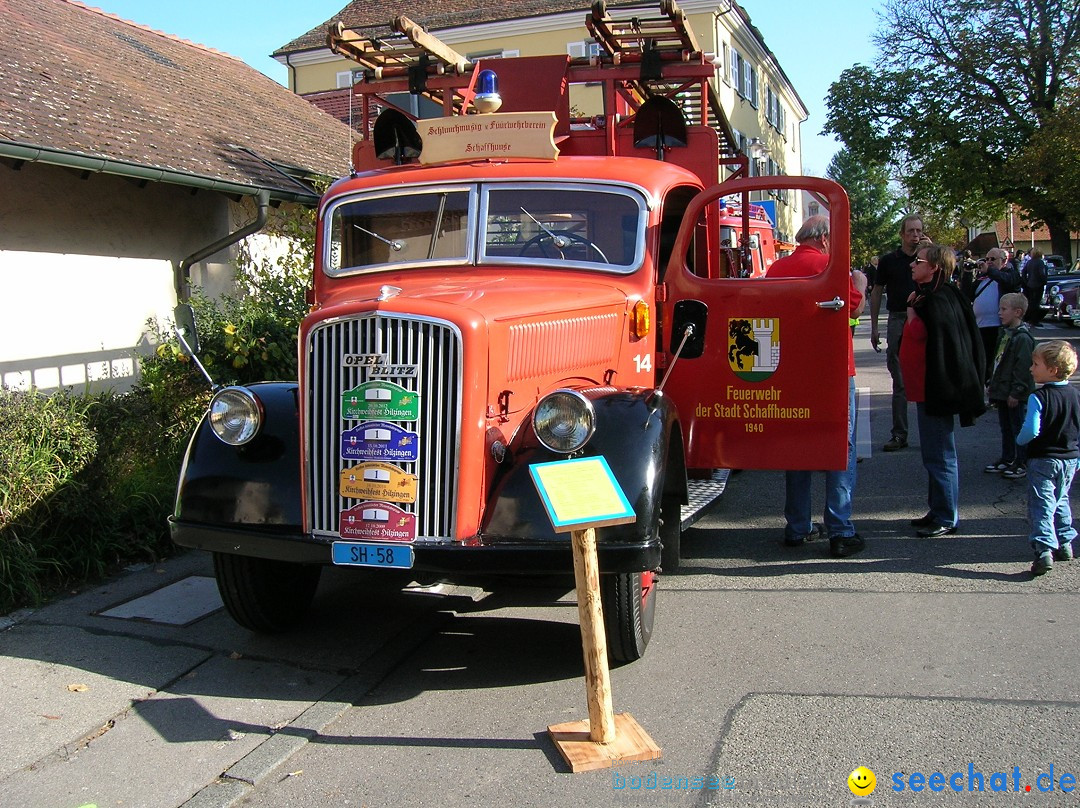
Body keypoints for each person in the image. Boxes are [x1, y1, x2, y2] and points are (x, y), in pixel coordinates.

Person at [765, 215, 866, 557]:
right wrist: (862, 286)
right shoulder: (831, 266)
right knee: (841, 448)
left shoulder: (777, 269)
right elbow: (853, 306)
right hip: (835, 369)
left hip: (790, 369)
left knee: (797, 446)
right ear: (825, 239)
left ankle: (797, 526)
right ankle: (840, 528)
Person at [900, 242, 986, 537]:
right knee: (933, 454)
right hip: (928, 388)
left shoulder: (937, 300)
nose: (913, 264)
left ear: (934, 267)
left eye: (919, 261)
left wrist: (912, 313)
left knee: (940, 454)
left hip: (936, 388)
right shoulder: (932, 297)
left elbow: (926, 335)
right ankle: (938, 509)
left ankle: (946, 515)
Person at [1016, 340, 1080, 576]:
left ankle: (1044, 548)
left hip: (1043, 458)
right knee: (1061, 499)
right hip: (1070, 458)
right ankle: (1065, 542)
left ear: (1052, 369)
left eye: (1036, 364)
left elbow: (1031, 429)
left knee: (1041, 503)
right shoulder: (1075, 395)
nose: (1032, 369)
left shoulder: (1039, 397)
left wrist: (1020, 441)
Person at [870, 215, 924, 451]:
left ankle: (931, 433)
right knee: (899, 380)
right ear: (902, 234)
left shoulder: (928, 258)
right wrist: (874, 326)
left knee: (928, 378)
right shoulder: (889, 261)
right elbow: (876, 292)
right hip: (898, 318)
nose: (915, 235)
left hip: (925, 317)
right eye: (911, 231)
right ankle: (899, 434)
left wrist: (932, 254)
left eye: (919, 231)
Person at [984, 292, 1035, 477]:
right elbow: (999, 362)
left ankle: (1022, 461)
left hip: (1014, 393)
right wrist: (992, 382)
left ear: (1018, 312)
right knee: (1006, 427)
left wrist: (1017, 391)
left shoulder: (1022, 338)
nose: (999, 313)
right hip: (1002, 390)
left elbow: (1022, 368)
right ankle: (1007, 458)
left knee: (1018, 427)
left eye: (1004, 309)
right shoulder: (1005, 334)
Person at [966, 249, 1021, 382]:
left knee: (995, 363)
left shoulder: (1009, 274)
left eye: (993, 259)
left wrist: (990, 271)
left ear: (1004, 261)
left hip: (998, 327)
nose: (989, 262)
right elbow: (967, 294)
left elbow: (1008, 282)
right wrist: (967, 274)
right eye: (987, 259)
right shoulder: (983, 278)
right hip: (980, 326)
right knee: (979, 362)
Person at [1022, 248, 1048, 324]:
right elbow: (1042, 273)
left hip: (1030, 284)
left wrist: (1026, 281)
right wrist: (1044, 281)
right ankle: (1035, 320)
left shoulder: (1029, 262)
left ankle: (1028, 318)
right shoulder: (1040, 262)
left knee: (1031, 302)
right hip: (1038, 285)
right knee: (1036, 302)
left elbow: (1023, 272)